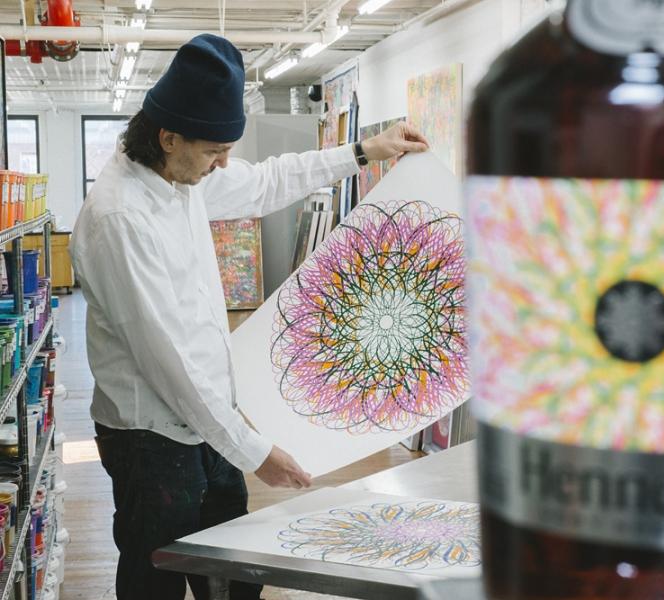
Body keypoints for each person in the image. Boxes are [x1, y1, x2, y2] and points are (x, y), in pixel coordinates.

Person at [69, 33, 428, 600]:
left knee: (232, 571)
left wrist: (363, 151)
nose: (223, 164)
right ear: (168, 137)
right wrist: (257, 453)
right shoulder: (119, 220)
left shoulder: (178, 177)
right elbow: (170, 366)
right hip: (150, 439)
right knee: (154, 576)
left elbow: (267, 182)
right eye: (215, 151)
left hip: (207, 419)